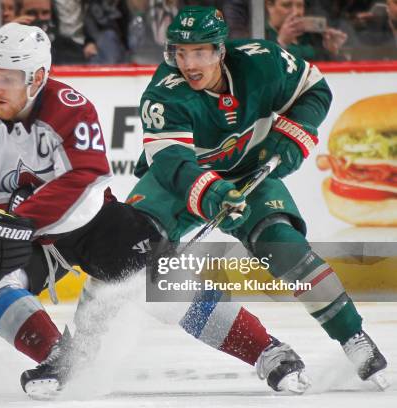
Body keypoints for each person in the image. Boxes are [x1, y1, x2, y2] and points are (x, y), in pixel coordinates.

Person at [0, 22, 318, 400]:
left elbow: (86, 174)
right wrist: (5, 225)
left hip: (90, 224)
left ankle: (266, 350)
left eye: (8, 78)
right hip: (23, 233)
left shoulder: (70, 107)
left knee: (160, 285)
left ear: (38, 76)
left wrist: (21, 215)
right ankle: (59, 357)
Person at [125, 5, 389, 392]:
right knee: (137, 255)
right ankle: (265, 350)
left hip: (251, 169)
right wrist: (214, 194)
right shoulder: (163, 93)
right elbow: (171, 164)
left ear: (220, 50)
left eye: (199, 52)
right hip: (179, 182)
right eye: (180, 53)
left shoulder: (262, 61)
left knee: (283, 245)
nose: (188, 63)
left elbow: (314, 87)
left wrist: (294, 132)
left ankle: (353, 337)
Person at [265, 0, 348, 61]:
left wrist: (332, 50)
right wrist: (281, 43)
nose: (295, 12)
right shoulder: (261, 33)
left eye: (300, 6)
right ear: (269, 6)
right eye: (287, 5)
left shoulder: (312, 36)